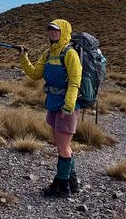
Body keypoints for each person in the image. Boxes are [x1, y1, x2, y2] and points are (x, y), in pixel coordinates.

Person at [17, 18, 82, 198]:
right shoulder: (48, 53)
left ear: (64, 32)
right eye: (51, 30)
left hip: (66, 106)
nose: (52, 33)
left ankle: (61, 187)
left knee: (62, 146)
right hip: (53, 103)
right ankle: (72, 181)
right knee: (62, 145)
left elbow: (75, 82)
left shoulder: (70, 54)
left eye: (56, 30)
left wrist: (68, 106)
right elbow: (35, 74)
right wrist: (24, 58)